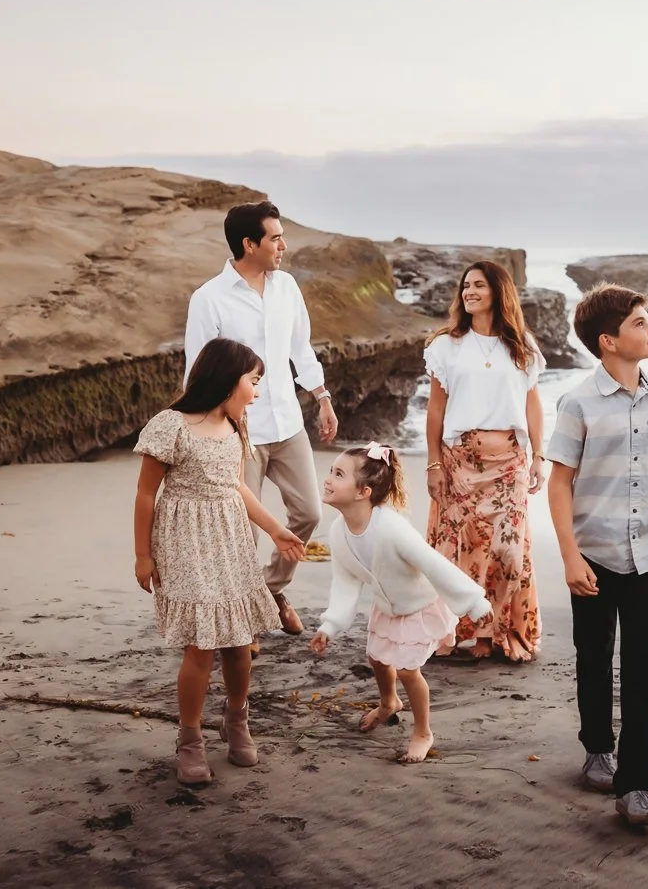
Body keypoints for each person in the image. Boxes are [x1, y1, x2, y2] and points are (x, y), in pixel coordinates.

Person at [547, 284, 648, 827]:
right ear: (608, 341)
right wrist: (569, 557)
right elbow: (558, 484)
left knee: (642, 665)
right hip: (594, 554)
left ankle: (635, 785)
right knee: (593, 655)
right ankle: (595, 747)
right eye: (639, 322)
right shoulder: (578, 402)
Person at [132, 337, 308, 784]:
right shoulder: (171, 426)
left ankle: (236, 720)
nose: (257, 390)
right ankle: (190, 739)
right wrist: (142, 555)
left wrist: (274, 527)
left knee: (238, 640)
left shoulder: (235, 425)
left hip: (230, 540)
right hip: (186, 543)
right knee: (202, 645)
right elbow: (145, 494)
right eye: (254, 381)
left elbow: (236, 487)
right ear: (229, 379)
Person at [184, 200, 338, 636]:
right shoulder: (209, 299)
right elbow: (197, 369)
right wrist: (206, 431)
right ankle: (243, 624)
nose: (283, 245)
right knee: (242, 533)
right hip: (238, 433)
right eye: (274, 238)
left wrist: (322, 398)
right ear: (249, 244)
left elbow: (300, 348)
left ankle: (269, 590)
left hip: (288, 424)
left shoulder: (287, 287)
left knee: (309, 513)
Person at [310, 443, 494, 763]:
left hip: (418, 606)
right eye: (331, 471)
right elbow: (346, 581)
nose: (328, 479)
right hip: (387, 606)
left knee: (409, 670)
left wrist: (474, 602)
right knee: (378, 659)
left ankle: (423, 731)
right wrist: (331, 624)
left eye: (338, 474)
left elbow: (433, 564)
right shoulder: (339, 532)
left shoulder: (392, 528)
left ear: (362, 492)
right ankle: (389, 702)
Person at [423, 260, 545, 662]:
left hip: (510, 461)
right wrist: (433, 463)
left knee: (507, 553)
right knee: (462, 550)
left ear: (498, 291)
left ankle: (500, 628)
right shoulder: (446, 345)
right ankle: (474, 634)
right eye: (465, 286)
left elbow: (532, 405)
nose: (469, 291)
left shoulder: (522, 346)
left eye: (478, 285)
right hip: (460, 461)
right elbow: (436, 411)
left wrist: (539, 455)